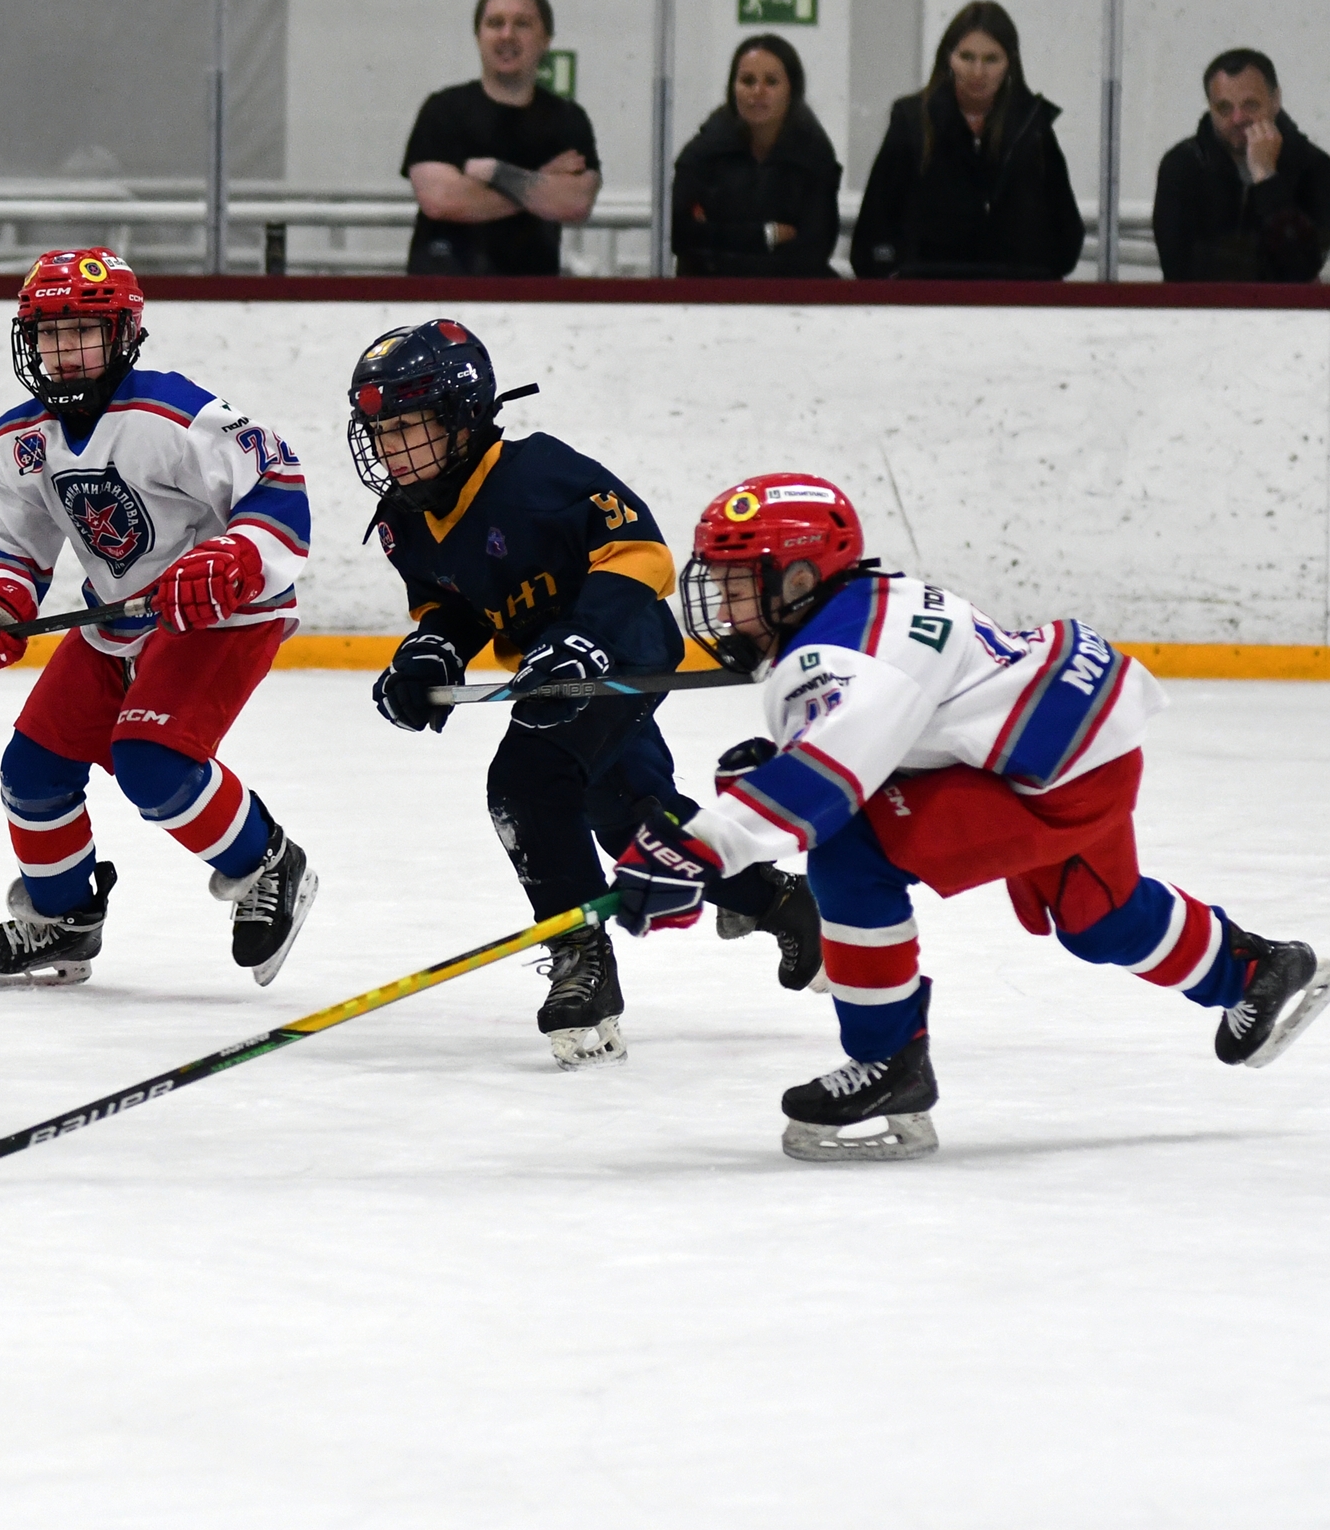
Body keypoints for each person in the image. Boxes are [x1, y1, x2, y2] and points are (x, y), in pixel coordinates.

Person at [613, 473, 1327, 1162]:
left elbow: (829, 776)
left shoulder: (839, 654)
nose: (727, 611)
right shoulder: (870, 598)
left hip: (1046, 777)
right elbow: (880, 733)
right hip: (1071, 739)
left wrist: (699, 851)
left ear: (799, 580)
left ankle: (886, 1060)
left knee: (853, 853)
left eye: (740, 588)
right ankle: (1256, 968)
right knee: (1095, 914)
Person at [347, 320, 821, 1071]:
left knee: (529, 784)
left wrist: (585, 633)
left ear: (462, 416)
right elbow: (453, 602)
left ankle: (580, 960)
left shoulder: (540, 475)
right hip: (553, 662)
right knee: (632, 818)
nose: (389, 449)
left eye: (406, 427)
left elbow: (641, 552)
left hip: (623, 646)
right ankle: (777, 900)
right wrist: (432, 650)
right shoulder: (407, 518)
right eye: (379, 431)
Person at [0, 246, 316, 992]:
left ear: (124, 335)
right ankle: (64, 918)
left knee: (154, 763)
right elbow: (5, 540)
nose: (64, 351)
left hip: (222, 615)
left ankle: (269, 863)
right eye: (48, 334)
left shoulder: (172, 413)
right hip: (119, 617)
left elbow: (276, 482)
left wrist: (234, 558)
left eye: (82, 331)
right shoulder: (17, 441)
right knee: (33, 773)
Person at [851, 0, 1084, 280]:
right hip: (926, 297)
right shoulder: (913, 122)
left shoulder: (1032, 127)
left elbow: (1066, 231)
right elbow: (874, 226)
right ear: (948, 57)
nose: (977, 73)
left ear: (1010, 61)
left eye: (991, 59)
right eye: (967, 57)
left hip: (1015, 299)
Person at [401, 0, 600, 277]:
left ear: (546, 39)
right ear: (478, 35)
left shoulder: (567, 120)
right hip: (444, 294)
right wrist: (541, 181)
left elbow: (575, 202)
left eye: (522, 24)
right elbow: (440, 199)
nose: (507, 35)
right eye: (495, 23)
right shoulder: (443, 111)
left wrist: (494, 172)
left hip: (535, 298)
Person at [671, 33, 842, 279]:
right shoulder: (703, 154)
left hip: (790, 297)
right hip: (709, 295)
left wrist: (721, 239)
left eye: (771, 82)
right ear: (733, 88)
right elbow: (683, 237)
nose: (758, 91)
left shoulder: (814, 157)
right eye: (747, 80)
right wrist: (766, 236)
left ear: (792, 90)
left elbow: (812, 252)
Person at [1153, 48, 1330, 283]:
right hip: (1199, 314)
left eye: (1250, 105)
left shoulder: (1313, 166)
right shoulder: (1184, 166)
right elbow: (1178, 268)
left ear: (1275, 100)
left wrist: (1267, 178)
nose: (1238, 119)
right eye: (1224, 108)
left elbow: (1302, 267)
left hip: (1286, 315)